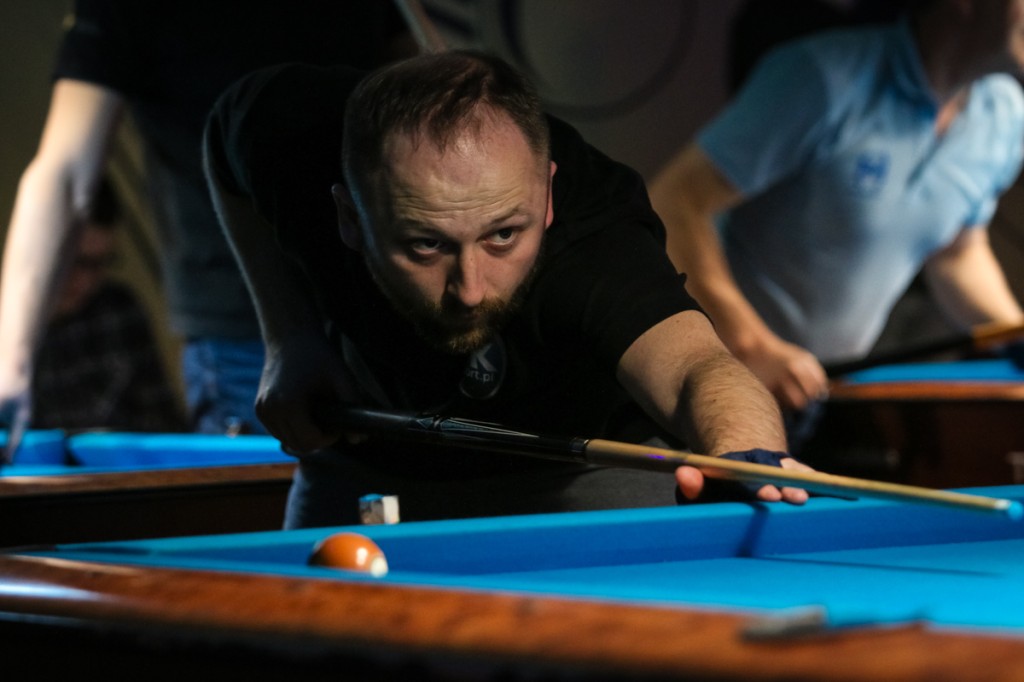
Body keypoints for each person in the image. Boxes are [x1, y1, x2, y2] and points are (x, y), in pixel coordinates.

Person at [203, 50, 812, 528]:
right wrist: (289, 338)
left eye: (502, 236)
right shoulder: (293, 138)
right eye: (426, 244)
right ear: (349, 217)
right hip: (373, 454)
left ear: (546, 197)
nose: (470, 290)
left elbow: (696, 368)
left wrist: (743, 452)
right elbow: (224, 141)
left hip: (579, 470)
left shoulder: (592, 241)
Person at [0, 1, 412, 441]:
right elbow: (65, 173)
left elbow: (420, 109)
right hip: (245, 335)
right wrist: (9, 365)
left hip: (388, 312)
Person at [648, 0, 1024, 430]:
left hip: (822, 396)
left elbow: (956, 252)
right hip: (709, 382)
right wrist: (751, 345)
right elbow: (675, 202)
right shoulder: (821, 75)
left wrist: (1012, 331)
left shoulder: (1006, 115)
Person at [31, 178, 186, 433]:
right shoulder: (10, 325)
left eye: (101, 263)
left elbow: (163, 419)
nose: (86, 281)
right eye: (76, 261)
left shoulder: (117, 310)